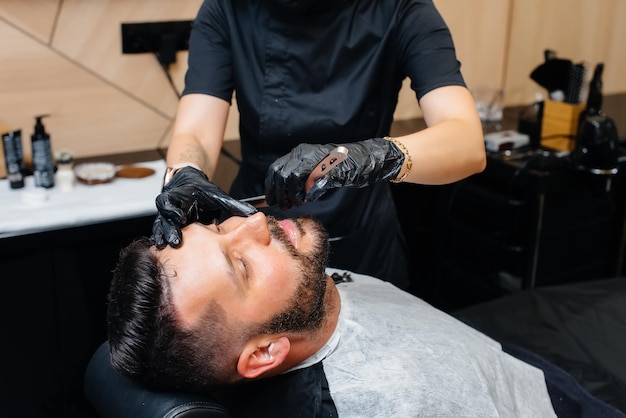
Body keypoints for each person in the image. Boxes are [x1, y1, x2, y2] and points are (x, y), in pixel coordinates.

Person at [108, 208, 624, 417]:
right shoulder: (391, 401)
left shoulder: (297, 302)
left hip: (514, 369)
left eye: (221, 227)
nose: (255, 221)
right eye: (241, 263)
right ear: (265, 352)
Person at [151, 0, 487, 289]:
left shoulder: (402, 9)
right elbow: (195, 130)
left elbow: (465, 139)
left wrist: (365, 156)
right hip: (257, 237)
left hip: (361, 237)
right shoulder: (227, 9)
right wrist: (185, 171)